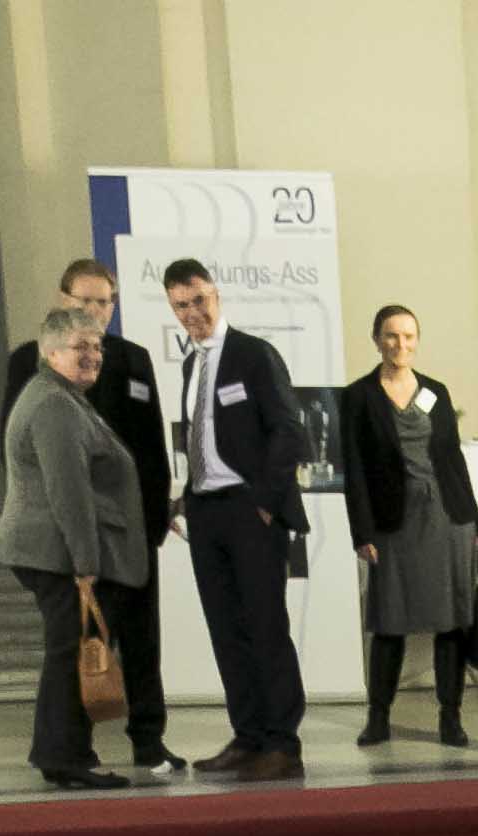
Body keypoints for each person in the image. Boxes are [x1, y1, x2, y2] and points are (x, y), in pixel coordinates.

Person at [0, 259, 177, 776]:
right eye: (81, 347)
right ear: (51, 350)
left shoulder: (78, 388)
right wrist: (86, 561)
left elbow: (147, 449)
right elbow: (67, 488)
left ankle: (64, 751)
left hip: (108, 539)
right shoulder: (52, 397)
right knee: (71, 650)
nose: (92, 353)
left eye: (96, 345)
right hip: (68, 545)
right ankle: (67, 755)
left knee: (75, 649)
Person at [160, 256, 309, 781]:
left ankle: (282, 743)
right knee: (226, 630)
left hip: (250, 510)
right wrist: (184, 499)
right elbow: (203, 438)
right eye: (181, 305)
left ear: (216, 295)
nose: (192, 312)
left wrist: (264, 502)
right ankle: (248, 736)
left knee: (266, 627)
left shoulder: (253, 355)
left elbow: (289, 431)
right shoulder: (191, 365)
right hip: (206, 512)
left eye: (199, 300)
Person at [338, 303, 478, 749]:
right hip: (392, 522)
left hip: (447, 518)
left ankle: (451, 718)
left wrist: (477, 522)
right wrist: (362, 532)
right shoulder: (359, 396)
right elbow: (355, 470)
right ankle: (378, 718)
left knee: (451, 623)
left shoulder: (435, 392)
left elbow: (453, 459)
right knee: (389, 621)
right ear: (376, 339)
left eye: (408, 336)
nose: (400, 344)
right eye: (391, 335)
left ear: (417, 340)